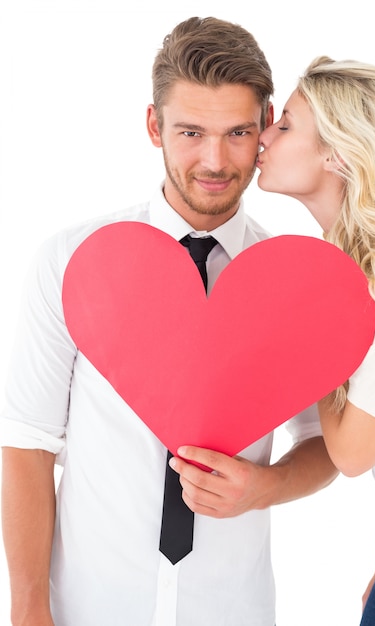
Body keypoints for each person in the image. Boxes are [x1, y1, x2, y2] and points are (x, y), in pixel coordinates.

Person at [0, 18, 338, 626]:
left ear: (265, 126)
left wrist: (265, 488)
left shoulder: (289, 285)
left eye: (237, 132)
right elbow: (27, 442)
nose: (214, 160)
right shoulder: (73, 261)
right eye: (190, 132)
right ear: (154, 127)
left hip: (232, 608)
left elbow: (322, 441)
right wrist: (27, 608)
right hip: (87, 607)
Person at [257, 55, 375, 624]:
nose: (262, 137)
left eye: (286, 125)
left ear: (337, 152)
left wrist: (315, 339)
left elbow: (350, 454)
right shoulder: (360, 266)